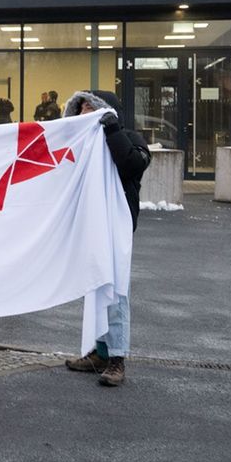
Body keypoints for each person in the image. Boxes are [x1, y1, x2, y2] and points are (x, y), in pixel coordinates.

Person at [62, 89, 151, 387]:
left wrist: (111, 129)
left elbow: (132, 165)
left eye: (91, 107)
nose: (85, 112)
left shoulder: (130, 138)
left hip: (116, 223)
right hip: (91, 223)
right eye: (81, 108)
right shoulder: (83, 144)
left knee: (115, 291)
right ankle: (99, 352)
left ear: (106, 111)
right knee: (95, 286)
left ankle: (117, 359)